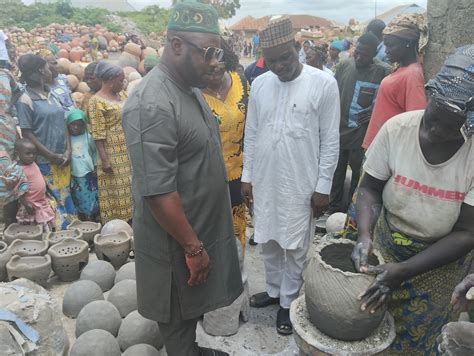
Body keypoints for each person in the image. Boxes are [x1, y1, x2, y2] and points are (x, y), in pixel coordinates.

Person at [122, 1, 242, 355]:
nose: (215, 62)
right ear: (175, 46)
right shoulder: (152, 104)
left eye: (217, 52)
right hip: (174, 243)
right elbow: (158, 192)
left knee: (190, 310)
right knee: (175, 316)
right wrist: (193, 247)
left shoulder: (188, 89)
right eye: (207, 53)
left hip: (194, 231)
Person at [351, 46, 474, 354]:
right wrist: (365, 237)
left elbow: (467, 233)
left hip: (439, 266)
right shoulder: (398, 129)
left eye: (451, 130)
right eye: (434, 118)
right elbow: (369, 189)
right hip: (386, 249)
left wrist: (406, 271)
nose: (436, 131)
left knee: (417, 344)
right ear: (429, 96)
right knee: (366, 327)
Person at [241, 17, 340, 335]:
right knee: (268, 239)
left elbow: (331, 140)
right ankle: (272, 291)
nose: (280, 66)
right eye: (272, 61)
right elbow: (252, 133)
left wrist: (323, 186)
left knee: (296, 246)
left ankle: (287, 301)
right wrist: (247, 176)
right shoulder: (259, 84)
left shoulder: (324, 83)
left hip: (302, 182)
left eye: (285, 57)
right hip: (265, 179)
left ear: (298, 48)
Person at [328, 33, 390, 214]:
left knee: (358, 175)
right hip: (339, 130)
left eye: (364, 54)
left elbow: (387, 101)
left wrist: (374, 113)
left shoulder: (383, 71)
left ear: (373, 54)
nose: (359, 57)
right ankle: (332, 209)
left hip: (361, 135)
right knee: (336, 172)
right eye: (357, 53)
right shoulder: (345, 66)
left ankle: (351, 213)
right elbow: (334, 94)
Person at [16, 54, 77, 230]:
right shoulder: (25, 99)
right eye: (49, 67)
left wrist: (68, 150)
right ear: (41, 71)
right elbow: (27, 133)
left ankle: (71, 232)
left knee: (66, 196)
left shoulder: (52, 93)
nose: (52, 70)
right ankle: (60, 236)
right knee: (53, 201)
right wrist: (50, 155)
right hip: (45, 161)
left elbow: (63, 122)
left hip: (62, 158)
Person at [202, 38, 248, 252]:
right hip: (207, 177)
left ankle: (238, 274)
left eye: (218, 70)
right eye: (207, 71)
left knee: (237, 229)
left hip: (238, 174)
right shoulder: (193, 92)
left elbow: (253, 128)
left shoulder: (241, 82)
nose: (212, 76)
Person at [362, 13, 428, 150]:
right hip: (382, 147)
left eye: (390, 45)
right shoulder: (401, 69)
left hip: (391, 150)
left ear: (408, 43)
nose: (386, 51)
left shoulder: (412, 74)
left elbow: (415, 121)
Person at [88, 61, 132, 224]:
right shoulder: (96, 102)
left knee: (130, 187)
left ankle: (133, 220)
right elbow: (98, 134)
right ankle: (119, 224)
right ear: (111, 80)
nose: (123, 83)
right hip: (112, 152)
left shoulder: (123, 95)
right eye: (121, 81)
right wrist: (105, 160)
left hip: (128, 149)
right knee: (117, 190)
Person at [0, 63, 28, 227]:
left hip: (7, 130)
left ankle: (11, 223)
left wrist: (7, 110)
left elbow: (18, 92)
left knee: (10, 174)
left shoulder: (5, 74)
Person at [14, 138, 56, 231]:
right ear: (18, 154)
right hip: (31, 204)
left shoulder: (33, 163)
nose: (32, 156)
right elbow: (17, 190)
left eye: (34, 153)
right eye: (28, 153)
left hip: (41, 201)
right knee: (33, 228)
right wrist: (25, 204)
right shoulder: (19, 170)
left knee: (45, 224)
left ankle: (46, 241)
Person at [67, 109, 99, 222]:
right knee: (79, 198)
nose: (75, 127)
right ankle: (85, 219)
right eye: (73, 124)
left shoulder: (88, 137)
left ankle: (93, 219)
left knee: (92, 197)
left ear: (84, 125)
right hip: (75, 174)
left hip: (88, 173)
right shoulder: (67, 139)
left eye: (79, 125)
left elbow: (94, 152)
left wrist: (95, 165)